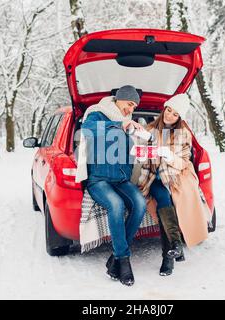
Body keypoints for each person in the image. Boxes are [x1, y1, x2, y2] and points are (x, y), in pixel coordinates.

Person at [76, 85, 147, 286]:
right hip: (99, 179)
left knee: (140, 203)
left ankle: (115, 256)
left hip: (121, 178)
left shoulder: (128, 122)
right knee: (116, 205)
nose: (131, 109)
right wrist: (119, 125)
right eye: (129, 104)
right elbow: (87, 131)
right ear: (119, 99)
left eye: (134, 106)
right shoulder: (97, 113)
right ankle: (124, 261)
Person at [137, 94, 210, 276]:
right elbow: (140, 156)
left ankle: (170, 254)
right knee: (162, 197)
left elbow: (183, 162)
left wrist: (167, 154)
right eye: (168, 110)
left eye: (175, 114)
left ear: (180, 118)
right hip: (154, 177)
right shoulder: (150, 129)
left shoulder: (183, 133)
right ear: (164, 108)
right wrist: (143, 150)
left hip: (175, 176)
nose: (169, 115)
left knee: (166, 201)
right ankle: (173, 249)